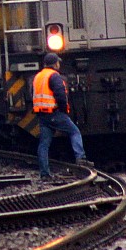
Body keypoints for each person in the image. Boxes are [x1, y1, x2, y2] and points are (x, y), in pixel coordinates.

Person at [32, 52, 94, 180]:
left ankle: (44, 173)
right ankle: (80, 158)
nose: (59, 64)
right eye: (58, 62)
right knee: (74, 132)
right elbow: (60, 94)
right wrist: (64, 110)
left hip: (42, 116)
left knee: (44, 144)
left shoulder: (38, 76)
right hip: (55, 113)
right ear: (55, 64)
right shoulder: (54, 76)